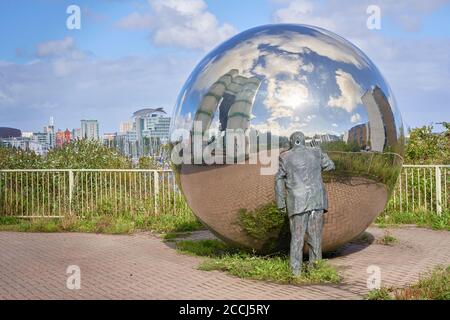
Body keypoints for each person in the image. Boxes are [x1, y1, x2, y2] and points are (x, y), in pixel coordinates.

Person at [275, 131, 335, 276]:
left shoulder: (285, 156)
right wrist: (321, 152)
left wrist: (281, 202)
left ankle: (295, 272)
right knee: (315, 238)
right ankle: (315, 270)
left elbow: (278, 179)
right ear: (303, 140)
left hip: (298, 203)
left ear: (292, 141)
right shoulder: (316, 152)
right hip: (317, 201)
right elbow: (330, 166)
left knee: (297, 238)